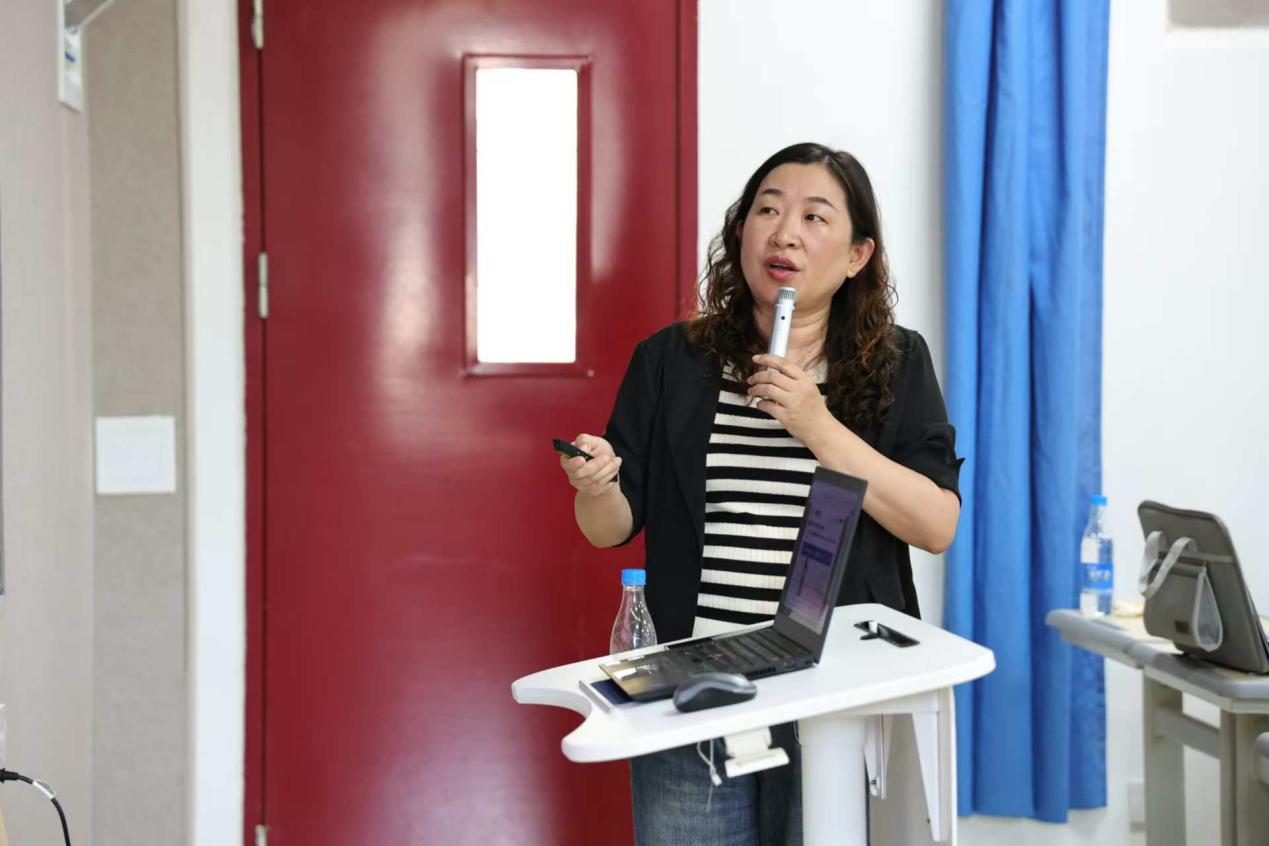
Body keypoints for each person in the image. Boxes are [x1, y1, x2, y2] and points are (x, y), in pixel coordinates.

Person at [558, 142, 963, 846]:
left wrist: (816, 424)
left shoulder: (898, 362)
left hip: (838, 692)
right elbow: (608, 527)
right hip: (692, 688)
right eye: (768, 211)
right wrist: (594, 484)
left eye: (814, 217)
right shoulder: (671, 360)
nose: (785, 234)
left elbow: (935, 525)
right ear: (740, 230)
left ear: (857, 255)